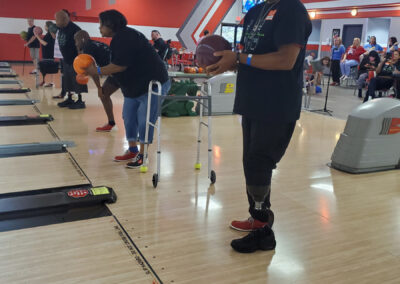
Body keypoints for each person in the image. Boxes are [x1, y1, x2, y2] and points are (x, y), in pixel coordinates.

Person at [206, 0, 311, 253]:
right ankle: (257, 217)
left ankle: (264, 231)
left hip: (276, 102)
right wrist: (228, 61)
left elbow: (286, 60)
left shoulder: (292, 10)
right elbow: (250, 56)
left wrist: (240, 57)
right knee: (250, 163)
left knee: (259, 162)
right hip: (252, 100)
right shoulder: (254, 11)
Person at [86, 10, 170, 168]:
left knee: (145, 120)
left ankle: (143, 155)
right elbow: (121, 66)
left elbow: (119, 66)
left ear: (110, 25)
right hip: (135, 86)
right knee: (129, 116)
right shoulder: (120, 38)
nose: (99, 28)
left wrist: (96, 71)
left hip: (153, 83)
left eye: (101, 25)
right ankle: (132, 150)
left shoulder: (125, 37)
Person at [74, 30, 118, 132]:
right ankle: (111, 123)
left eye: (76, 41)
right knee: (104, 94)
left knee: (104, 94)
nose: (76, 43)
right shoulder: (95, 43)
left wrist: (98, 87)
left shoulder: (88, 48)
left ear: (82, 39)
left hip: (120, 72)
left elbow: (92, 70)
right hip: (115, 72)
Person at [55, 9, 88, 109]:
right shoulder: (61, 28)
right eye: (56, 19)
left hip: (75, 59)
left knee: (77, 80)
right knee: (67, 80)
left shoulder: (75, 29)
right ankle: (69, 98)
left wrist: (80, 60)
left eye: (58, 20)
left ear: (66, 19)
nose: (57, 22)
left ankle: (80, 101)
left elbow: (82, 45)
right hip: (66, 59)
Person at [36, 21, 57, 87]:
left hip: (49, 54)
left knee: (47, 68)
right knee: (47, 68)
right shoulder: (49, 34)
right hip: (47, 54)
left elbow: (45, 43)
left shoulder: (50, 35)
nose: (44, 26)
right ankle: (48, 82)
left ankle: (48, 82)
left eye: (45, 25)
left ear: (48, 27)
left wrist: (38, 37)